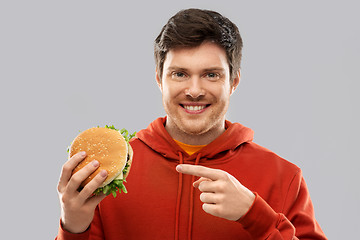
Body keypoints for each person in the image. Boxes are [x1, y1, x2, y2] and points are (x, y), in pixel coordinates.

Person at [56, 8, 327, 240]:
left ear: (233, 82)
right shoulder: (107, 177)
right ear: (160, 80)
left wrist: (255, 215)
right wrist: (73, 227)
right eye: (180, 74)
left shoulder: (284, 177)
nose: (194, 90)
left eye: (211, 74)